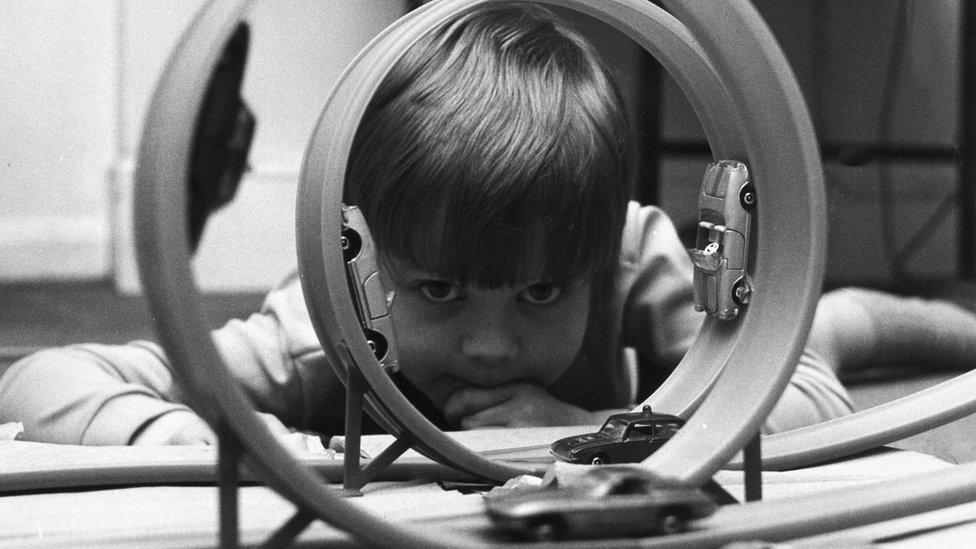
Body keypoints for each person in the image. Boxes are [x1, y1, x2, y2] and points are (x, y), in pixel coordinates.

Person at [1, 4, 973, 446]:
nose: (492, 342)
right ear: (366, 268)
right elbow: (40, 379)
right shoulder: (322, 332)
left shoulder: (633, 261)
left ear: (597, 262)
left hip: (661, 370)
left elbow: (796, 396)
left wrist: (596, 432)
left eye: (543, 291)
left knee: (833, 330)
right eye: (439, 290)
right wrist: (220, 445)